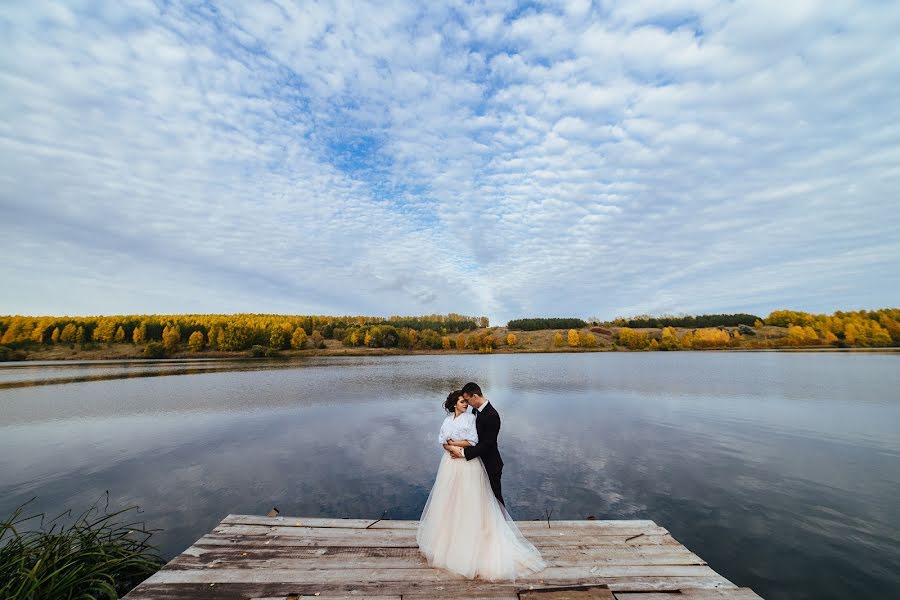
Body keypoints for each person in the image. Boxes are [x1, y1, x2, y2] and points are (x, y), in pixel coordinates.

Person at [416, 386, 545, 581]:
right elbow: (443, 439)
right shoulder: (469, 414)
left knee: (487, 502)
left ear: (474, 396)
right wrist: (449, 446)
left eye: (467, 400)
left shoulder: (486, 416)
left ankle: (494, 535)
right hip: (452, 465)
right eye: (462, 401)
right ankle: (452, 538)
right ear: (455, 404)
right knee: (452, 500)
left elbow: (481, 443)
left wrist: (458, 449)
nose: (466, 404)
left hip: (480, 464)